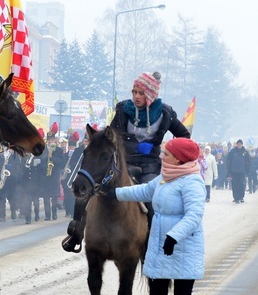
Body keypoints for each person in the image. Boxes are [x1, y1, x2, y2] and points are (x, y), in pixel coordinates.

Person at [62, 71, 190, 253]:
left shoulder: (165, 113)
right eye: (134, 92)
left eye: (141, 93)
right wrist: (128, 146)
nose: (136, 97)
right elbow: (110, 136)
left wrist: (169, 149)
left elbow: (184, 135)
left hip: (150, 164)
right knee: (90, 186)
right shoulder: (123, 110)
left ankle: (154, 243)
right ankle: (76, 232)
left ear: (151, 95)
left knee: (153, 199)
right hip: (124, 162)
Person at [105, 137, 205, 295]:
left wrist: (174, 236)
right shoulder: (164, 178)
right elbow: (143, 191)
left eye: (167, 153)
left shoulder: (192, 183)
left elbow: (194, 215)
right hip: (160, 244)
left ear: (179, 159)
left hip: (184, 246)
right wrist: (116, 194)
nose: (162, 156)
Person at [225, 139, 251, 203]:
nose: (239, 145)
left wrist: (247, 171)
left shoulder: (245, 152)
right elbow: (229, 161)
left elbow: (248, 162)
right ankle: (236, 198)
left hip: (242, 172)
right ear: (236, 144)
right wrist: (229, 171)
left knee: (241, 185)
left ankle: (241, 197)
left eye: (240, 144)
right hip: (234, 171)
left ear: (242, 145)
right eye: (238, 144)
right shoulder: (233, 151)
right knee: (234, 185)